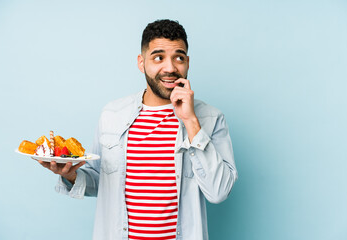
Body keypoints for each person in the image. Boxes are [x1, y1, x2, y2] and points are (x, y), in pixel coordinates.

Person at [38, 19, 238, 240]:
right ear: (141, 63)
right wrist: (71, 176)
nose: (170, 68)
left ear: (188, 62)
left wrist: (191, 121)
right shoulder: (112, 115)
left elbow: (219, 192)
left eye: (178, 58)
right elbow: (99, 180)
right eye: (158, 57)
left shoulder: (211, 119)